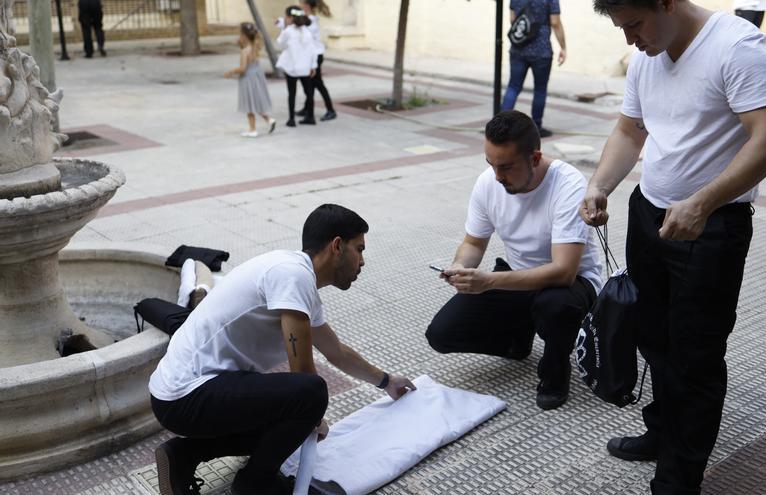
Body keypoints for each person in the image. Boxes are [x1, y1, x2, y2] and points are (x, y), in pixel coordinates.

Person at [582, 1, 766, 493]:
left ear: (667, 3)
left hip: (711, 227)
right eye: (621, 27)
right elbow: (630, 130)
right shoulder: (647, 57)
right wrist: (600, 185)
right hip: (649, 214)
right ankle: (661, 430)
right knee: (653, 336)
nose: (630, 39)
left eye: (634, 23)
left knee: (694, 355)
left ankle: (678, 477)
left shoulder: (737, 47)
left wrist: (704, 201)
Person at [149, 204, 417, 495]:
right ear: (337, 246)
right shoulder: (293, 275)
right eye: (360, 249)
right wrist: (313, 417)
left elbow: (335, 350)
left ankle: (183, 454)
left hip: (182, 395)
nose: (363, 261)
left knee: (294, 417)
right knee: (310, 394)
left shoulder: (296, 277)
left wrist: (387, 381)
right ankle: (255, 484)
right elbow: (302, 373)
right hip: (186, 395)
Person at [426, 110, 602, 411]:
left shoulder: (569, 184)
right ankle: (518, 339)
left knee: (555, 306)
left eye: (506, 167)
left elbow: (563, 271)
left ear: (535, 158)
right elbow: (473, 242)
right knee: (442, 334)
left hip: (572, 284)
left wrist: (489, 281)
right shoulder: (488, 183)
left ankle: (555, 370)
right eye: (491, 164)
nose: (497, 176)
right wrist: (460, 266)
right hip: (519, 276)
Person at [501, 0, 567, 138]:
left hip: (518, 48)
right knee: (540, 89)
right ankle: (536, 126)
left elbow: (513, 19)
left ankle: (501, 125)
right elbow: (555, 22)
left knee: (513, 86)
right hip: (541, 51)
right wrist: (563, 47)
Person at [224, 22, 276, 138]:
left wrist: (231, 72)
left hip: (247, 79)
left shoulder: (245, 51)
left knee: (249, 105)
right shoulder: (254, 47)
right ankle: (269, 120)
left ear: (244, 36)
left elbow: (243, 68)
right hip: (256, 77)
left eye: (240, 34)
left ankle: (253, 130)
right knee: (255, 102)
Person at [276, 6, 318, 127]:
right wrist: (313, 66)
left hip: (292, 68)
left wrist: (283, 28)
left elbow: (280, 44)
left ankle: (291, 119)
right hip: (305, 68)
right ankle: (310, 117)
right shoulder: (307, 32)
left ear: (290, 18)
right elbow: (313, 51)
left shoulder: (288, 32)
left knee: (292, 93)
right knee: (309, 93)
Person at [299, 0, 337, 121]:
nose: (300, 5)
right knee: (311, 83)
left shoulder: (310, 22)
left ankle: (330, 110)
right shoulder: (308, 18)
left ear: (307, 5)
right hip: (312, 55)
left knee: (317, 84)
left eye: (301, 3)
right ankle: (307, 108)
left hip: (315, 55)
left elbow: (307, 40)